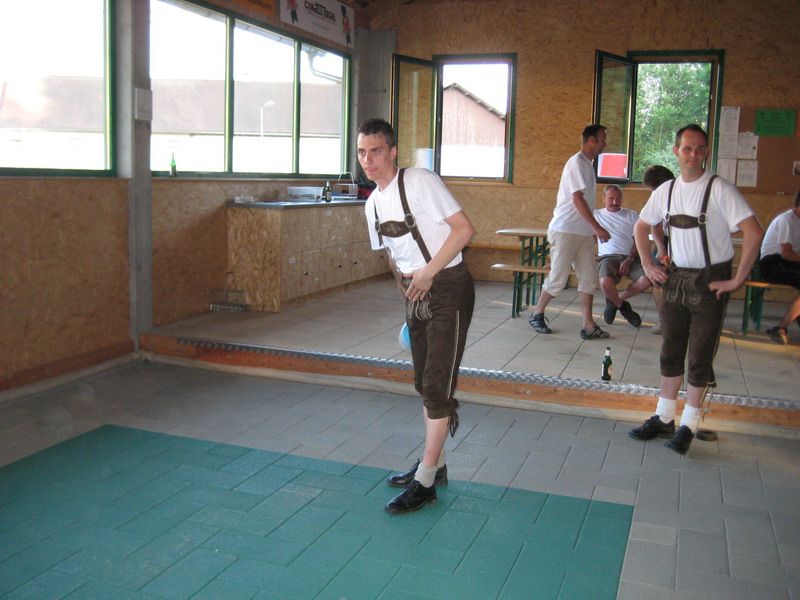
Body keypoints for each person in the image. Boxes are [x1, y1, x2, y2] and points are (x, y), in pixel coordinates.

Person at [357, 118, 475, 514]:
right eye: (362, 153)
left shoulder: (420, 181)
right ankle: (435, 465)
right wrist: (408, 294)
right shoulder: (373, 204)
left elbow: (463, 230)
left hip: (448, 287)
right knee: (424, 382)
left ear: (392, 152)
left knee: (438, 384)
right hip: (417, 293)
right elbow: (393, 256)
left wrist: (428, 273)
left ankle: (425, 482)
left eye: (376, 151)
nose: (368, 160)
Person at [630, 124, 764, 455]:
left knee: (700, 355)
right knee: (670, 350)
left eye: (700, 148)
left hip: (709, 283)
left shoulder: (720, 189)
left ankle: (689, 424)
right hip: (675, 279)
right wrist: (648, 264)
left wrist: (737, 280)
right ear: (676, 151)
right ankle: (664, 417)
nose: (694, 154)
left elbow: (754, 232)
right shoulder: (666, 191)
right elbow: (641, 226)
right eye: (687, 148)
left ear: (706, 151)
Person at [528, 124, 611, 339]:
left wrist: (590, 230)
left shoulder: (587, 164)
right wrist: (597, 228)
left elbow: (584, 202)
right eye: (602, 139)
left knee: (589, 278)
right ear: (592, 140)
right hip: (565, 230)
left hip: (582, 233)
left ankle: (588, 325)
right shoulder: (577, 163)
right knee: (558, 277)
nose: (605, 143)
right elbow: (577, 199)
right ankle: (537, 314)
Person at [594, 185, 649, 327]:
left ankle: (614, 300)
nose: (615, 202)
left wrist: (629, 260)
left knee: (646, 280)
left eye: (618, 199)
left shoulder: (631, 215)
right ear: (603, 198)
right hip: (608, 257)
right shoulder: (596, 215)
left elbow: (639, 241)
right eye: (611, 198)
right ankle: (624, 308)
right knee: (605, 282)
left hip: (630, 257)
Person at [759, 190, 800, 345]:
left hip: (786, 262)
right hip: (773, 264)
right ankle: (780, 328)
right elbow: (786, 253)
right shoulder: (787, 220)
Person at [642, 165, 676, 334]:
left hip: (683, 241)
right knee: (657, 280)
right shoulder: (657, 195)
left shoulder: (679, 192)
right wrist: (661, 248)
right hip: (665, 239)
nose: (653, 192)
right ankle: (663, 318)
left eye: (653, 189)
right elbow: (654, 225)